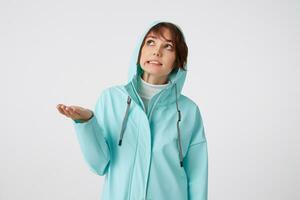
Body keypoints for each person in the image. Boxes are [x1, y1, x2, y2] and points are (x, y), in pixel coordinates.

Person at [56, 20, 208, 200]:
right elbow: (99, 165)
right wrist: (86, 122)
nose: (156, 51)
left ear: (177, 61)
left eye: (168, 46)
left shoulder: (188, 111)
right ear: (139, 50)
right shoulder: (111, 99)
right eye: (150, 42)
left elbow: (197, 177)